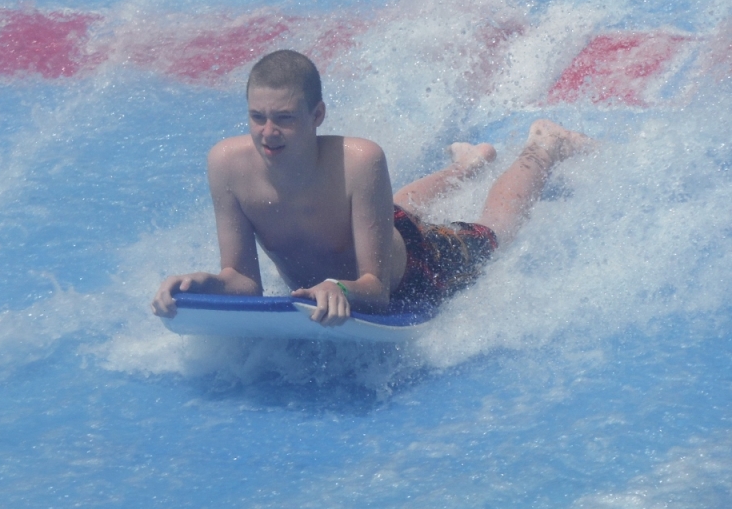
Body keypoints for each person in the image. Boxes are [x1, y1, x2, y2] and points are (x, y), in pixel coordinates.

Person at [151, 50, 594, 326]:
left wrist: (339, 289)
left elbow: (376, 288)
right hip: (368, 237)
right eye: (257, 117)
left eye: (284, 118)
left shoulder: (360, 160)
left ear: (318, 114)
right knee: (393, 208)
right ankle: (467, 164)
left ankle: (542, 147)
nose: (268, 132)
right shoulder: (226, 165)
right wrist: (201, 283)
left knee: (493, 234)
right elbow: (244, 282)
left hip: (412, 269)